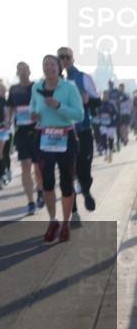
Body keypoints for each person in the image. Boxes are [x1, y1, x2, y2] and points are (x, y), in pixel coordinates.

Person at [30, 55, 84, 244]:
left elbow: (79, 114)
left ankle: (66, 223)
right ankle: (53, 221)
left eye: (52, 64)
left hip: (66, 137)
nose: (49, 68)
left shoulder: (69, 87)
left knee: (67, 182)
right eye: (45, 65)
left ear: (59, 67)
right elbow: (33, 108)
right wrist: (34, 114)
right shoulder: (36, 87)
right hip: (44, 137)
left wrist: (58, 105)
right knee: (47, 182)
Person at [57, 47, 99, 225]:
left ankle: (86, 190)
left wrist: (88, 101)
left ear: (73, 59)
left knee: (83, 170)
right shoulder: (53, 82)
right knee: (67, 174)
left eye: (67, 57)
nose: (64, 60)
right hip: (63, 134)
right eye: (61, 57)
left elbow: (98, 102)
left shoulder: (83, 78)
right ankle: (74, 213)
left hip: (83, 132)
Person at [8, 63, 39, 214]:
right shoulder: (13, 89)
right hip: (21, 131)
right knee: (25, 164)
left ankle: (40, 190)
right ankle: (30, 201)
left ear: (29, 71)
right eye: (19, 69)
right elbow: (10, 107)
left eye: (24, 69)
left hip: (37, 130)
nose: (22, 72)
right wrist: (8, 120)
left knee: (39, 167)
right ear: (17, 72)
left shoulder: (37, 87)